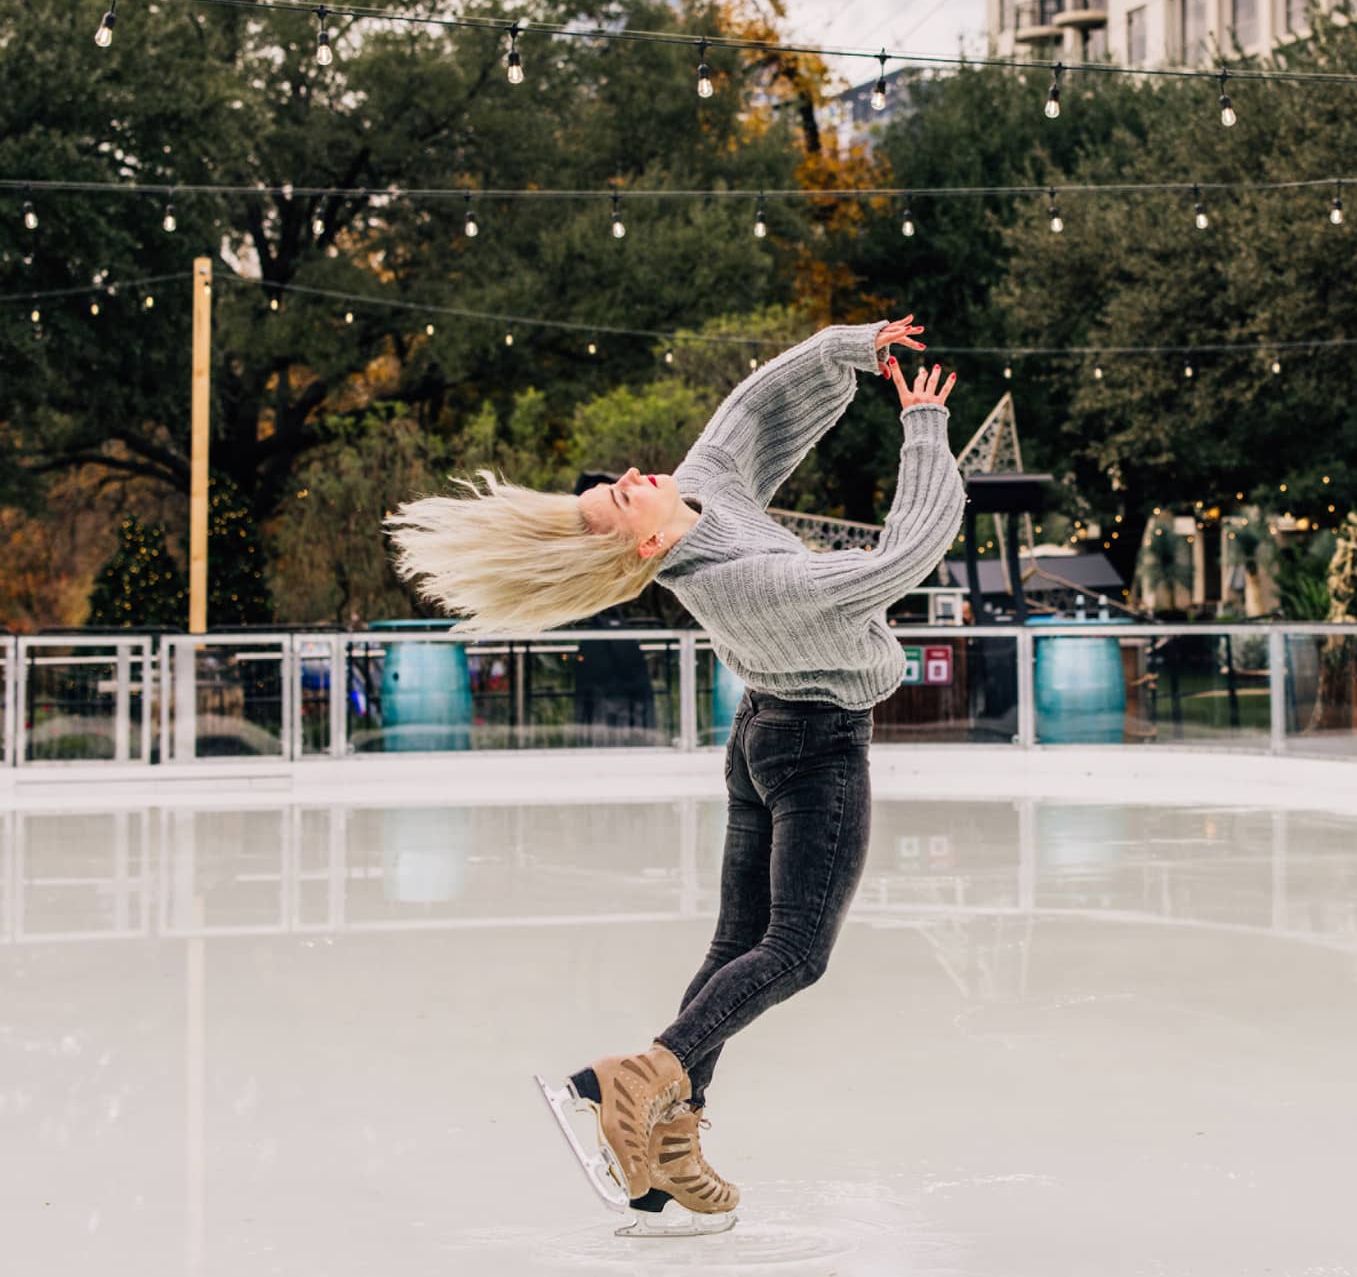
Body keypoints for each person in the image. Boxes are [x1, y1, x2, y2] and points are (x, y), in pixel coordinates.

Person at [385, 316, 963, 1237]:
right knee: (797, 951)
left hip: (760, 736)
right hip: (815, 745)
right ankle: (641, 1077)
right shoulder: (750, 586)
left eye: (610, 487)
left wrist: (844, 348)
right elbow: (903, 557)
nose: (624, 482)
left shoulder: (698, 493)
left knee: (739, 942)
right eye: (618, 505)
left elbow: (755, 411)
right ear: (644, 549)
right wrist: (924, 432)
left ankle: (669, 1146)